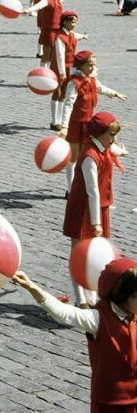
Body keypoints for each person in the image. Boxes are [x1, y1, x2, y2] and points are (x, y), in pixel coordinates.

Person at [11, 258, 137, 413]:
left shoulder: (134, 315)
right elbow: (63, 313)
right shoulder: (97, 319)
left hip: (135, 405)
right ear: (125, 295)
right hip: (109, 406)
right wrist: (32, 288)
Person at [63, 112, 127, 306]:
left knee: (94, 253)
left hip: (99, 207)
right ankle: (80, 298)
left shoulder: (104, 146)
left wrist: (121, 151)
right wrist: (96, 222)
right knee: (78, 253)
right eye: (111, 135)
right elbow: (92, 192)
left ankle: (92, 294)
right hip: (84, 209)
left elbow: (113, 150)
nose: (113, 139)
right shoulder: (90, 157)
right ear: (99, 134)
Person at [60, 52, 126, 186]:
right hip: (76, 125)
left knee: (92, 150)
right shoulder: (74, 83)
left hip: (90, 124)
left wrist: (115, 93)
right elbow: (68, 105)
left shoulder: (92, 79)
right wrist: (64, 127)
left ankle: (86, 182)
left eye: (94, 65)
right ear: (81, 66)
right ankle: (70, 188)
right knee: (74, 157)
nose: (92, 68)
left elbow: (101, 88)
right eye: (90, 65)